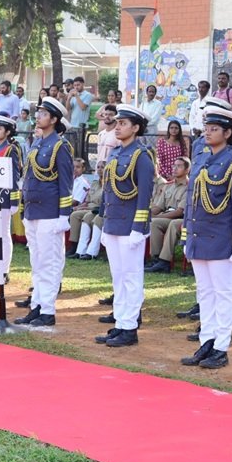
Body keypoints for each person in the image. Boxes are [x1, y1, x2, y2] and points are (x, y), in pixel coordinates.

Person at [180, 107, 232, 370]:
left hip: (222, 238)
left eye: (214, 129)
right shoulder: (201, 160)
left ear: (228, 133)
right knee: (205, 293)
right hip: (200, 236)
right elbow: (192, 201)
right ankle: (206, 341)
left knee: (223, 294)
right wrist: (187, 235)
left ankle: (221, 347)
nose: (208, 133)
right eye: (207, 128)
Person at [94, 104, 155, 347]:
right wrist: (105, 224)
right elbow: (109, 191)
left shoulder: (141, 156)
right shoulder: (116, 153)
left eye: (123, 124)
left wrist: (138, 229)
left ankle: (129, 327)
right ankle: (120, 322)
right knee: (118, 277)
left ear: (136, 128)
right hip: (114, 224)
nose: (117, 127)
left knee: (131, 277)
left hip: (131, 225)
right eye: (117, 123)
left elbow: (145, 195)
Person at [14, 97, 73, 327]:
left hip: (50, 213)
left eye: (43, 114)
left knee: (49, 263)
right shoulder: (37, 144)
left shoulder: (60, 146)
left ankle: (47, 310)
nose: (38, 116)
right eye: (38, 112)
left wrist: (63, 215)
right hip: (33, 211)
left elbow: (65, 183)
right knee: (36, 262)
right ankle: (36, 305)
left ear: (54, 119)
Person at [0, 114, 22, 286]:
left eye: (0, 128)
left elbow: (15, 174)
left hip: (5, 197)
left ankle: (4, 269)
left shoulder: (11, 149)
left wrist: (14, 200)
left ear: (8, 132)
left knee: (3, 234)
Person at [146, 157, 190, 273]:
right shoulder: (168, 186)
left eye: (179, 166)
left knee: (173, 224)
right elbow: (159, 207)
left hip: (182, 219)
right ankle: (156, 259)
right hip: (166, 217)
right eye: (174, 166)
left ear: (187, 170)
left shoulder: (189, 187)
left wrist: (157, 217)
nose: (175, 168)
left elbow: (179, 212)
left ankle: (164, 262)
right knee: (153, 223)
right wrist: (148, 214)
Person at [67, 160, 105, 260]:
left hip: (99, 209)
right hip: (89, 208)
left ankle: (92, 252)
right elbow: (87, 201)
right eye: (98, 167)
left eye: (102, 167)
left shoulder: (109, 185)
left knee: (90, 217)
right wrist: (79, 207)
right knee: (75, 214)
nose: (100, 169)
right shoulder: (95, 183)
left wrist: (84, 207)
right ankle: (77, 249)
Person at [66, 76, 94, 158]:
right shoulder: (73, 96)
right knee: (72, 148)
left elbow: (83, 107)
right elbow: (68, 109)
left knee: (79, 149)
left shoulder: (88, 95)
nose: (76, 87)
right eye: (74, 85)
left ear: (83, 84)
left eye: (78, 85)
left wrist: (77, 96)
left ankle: (81, 165)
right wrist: (69, 98)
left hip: (81, 126)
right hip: (72, 125)